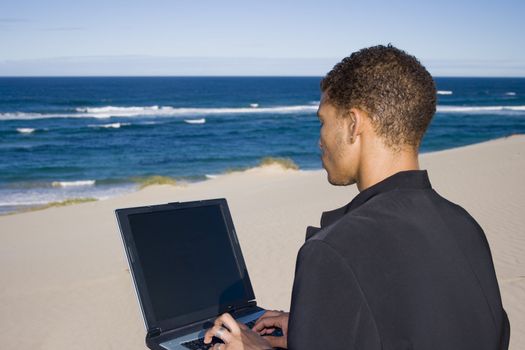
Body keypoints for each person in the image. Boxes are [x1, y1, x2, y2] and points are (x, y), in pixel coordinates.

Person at [204, 45, 510, 350]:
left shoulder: (333, 249)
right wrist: (312, 327)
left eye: (322, 121)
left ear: (353, 124)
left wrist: (260, 348)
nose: (319, 139)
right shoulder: (465, 226)